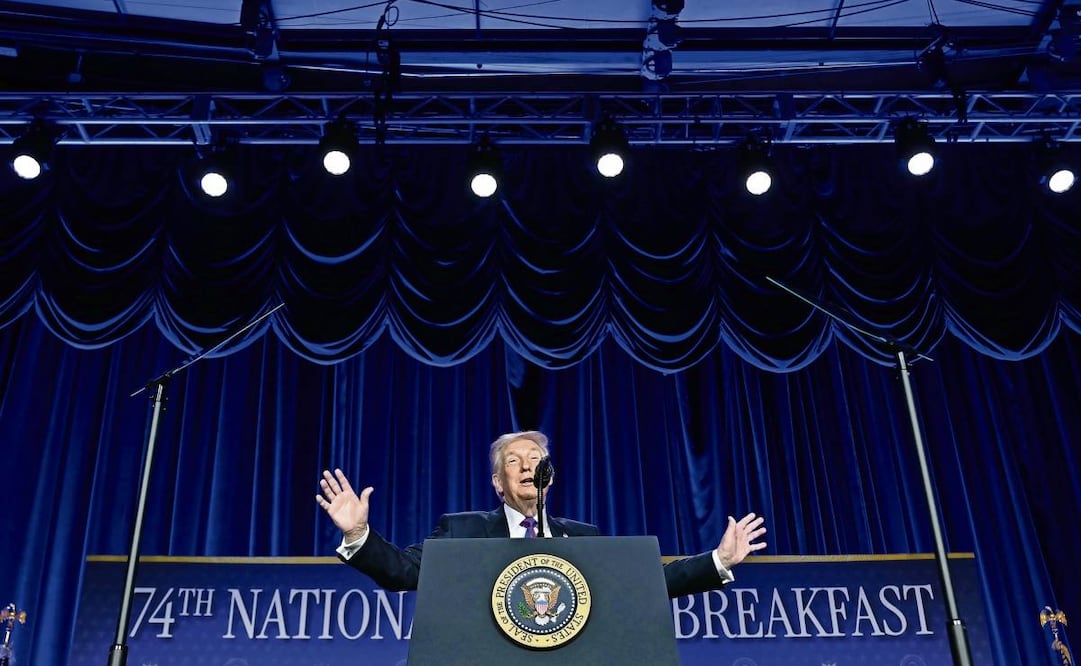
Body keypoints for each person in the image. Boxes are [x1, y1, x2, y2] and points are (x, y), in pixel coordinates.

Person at [316, 430, 767, 598]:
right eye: (514, 460)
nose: (528, 465)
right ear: (498, 483)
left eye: (535, 459)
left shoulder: (584, 537)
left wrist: (718, 562)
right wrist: (359, 533)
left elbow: (644, 583)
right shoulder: (464, 529)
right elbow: (403, 573)